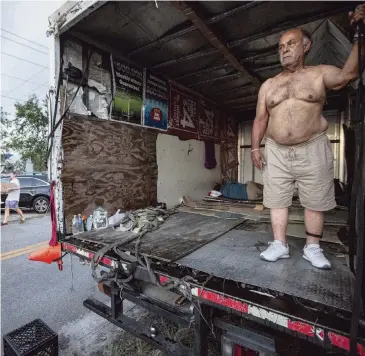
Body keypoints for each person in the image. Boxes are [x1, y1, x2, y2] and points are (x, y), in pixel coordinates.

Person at [251, 5, 365, 269]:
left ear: (306, 46)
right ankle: (279, 244)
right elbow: (260, 119)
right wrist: (255, 148)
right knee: (276, 198)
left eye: (290, 44)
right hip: (276, 150)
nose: (285, 50)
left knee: (316, 199)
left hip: (313, 147)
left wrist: (359, 38)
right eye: (280, 47)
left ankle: (312, 248)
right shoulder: (268, 85)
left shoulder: (319, 73)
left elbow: (349, 74)